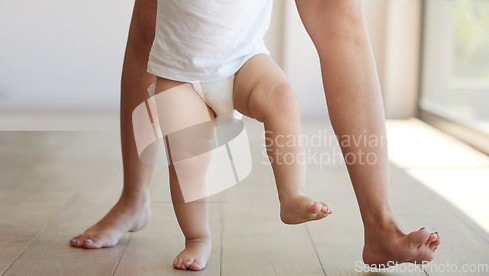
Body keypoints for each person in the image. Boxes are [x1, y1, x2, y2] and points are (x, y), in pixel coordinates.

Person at [70, 0, 441, 271]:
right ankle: (192, 234)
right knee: (188, 161)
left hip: (245, 58)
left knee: (284, 95)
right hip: (178, 72)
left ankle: (299, 198)